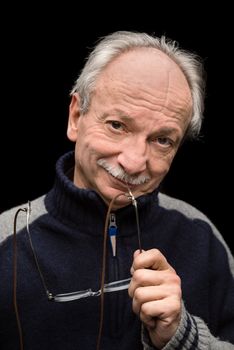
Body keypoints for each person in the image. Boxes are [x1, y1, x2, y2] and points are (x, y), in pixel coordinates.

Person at [0, 30, 233, 350]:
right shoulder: (4, 241)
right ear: (75, 116)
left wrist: (181, 336)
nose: (135, 162)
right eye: (117, 126)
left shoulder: (202, 237)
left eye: (162, 140)